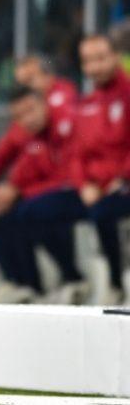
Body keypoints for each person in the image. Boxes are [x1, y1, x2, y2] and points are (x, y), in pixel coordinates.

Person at [0, 86, 86, 304]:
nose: (27, 119)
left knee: (31, 210)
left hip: (82, 190)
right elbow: (1, 157)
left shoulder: (67, 123)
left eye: (30, 110)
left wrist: (18, 192)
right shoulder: (26, 133)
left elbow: (69, 177)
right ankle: (21, 282)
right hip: (43, 191)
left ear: (44, 104)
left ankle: (72, 277)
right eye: (18, 116)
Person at [72, 35, 130, 305]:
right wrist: (83, 184)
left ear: (116, 56)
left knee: (102, 213)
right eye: (88, 61)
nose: (95, 67)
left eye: (101, 58)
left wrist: (121, 177)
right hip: (96, 188)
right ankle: (71, 281)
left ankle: (116, 284)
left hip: (122, 184)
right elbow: (76, 153)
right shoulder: (87, 102)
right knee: (31, 212)